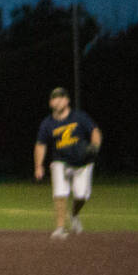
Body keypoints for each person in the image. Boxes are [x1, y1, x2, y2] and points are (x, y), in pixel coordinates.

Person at [34, 86, 102, 240]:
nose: (57, 101)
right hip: (61, 161)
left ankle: (74, 215)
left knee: (81, 195)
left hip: (83, 162)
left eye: (60, 98)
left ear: (67, 101)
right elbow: (40, 145)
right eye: (54, 98)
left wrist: (95, 145)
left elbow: (95, 131)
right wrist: (38, 166)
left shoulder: (79, 117)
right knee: (60, 192)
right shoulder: (47, 123)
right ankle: (60, 228)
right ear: (51, 103)